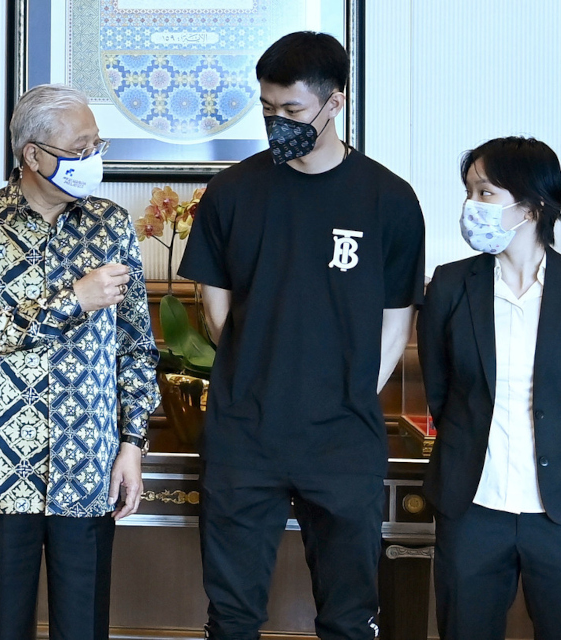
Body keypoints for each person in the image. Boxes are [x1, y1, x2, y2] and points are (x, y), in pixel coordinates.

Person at [178, 32, 425, 640]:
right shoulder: (232, 192)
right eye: (267, 108)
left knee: (347, 616)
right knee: (231, 617)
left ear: (334, 103)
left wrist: (345, 395)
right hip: (245, 434)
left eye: (292, 111)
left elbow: (397, 322)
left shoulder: (388, 199)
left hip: (343, 439)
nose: (277, 122)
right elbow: (216, 309)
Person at [0, 83, 160, 640]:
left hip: (88, 464)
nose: (94, 159)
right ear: (33, 155)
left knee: (83, 626)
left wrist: (132, 444)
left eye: (97, 144)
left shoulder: (111, 224)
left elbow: (135, 346)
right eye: (80, 148)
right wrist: (72, 301)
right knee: (3, 626)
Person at [417, 137, 561, 640]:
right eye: (469, 192)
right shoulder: (449, 287)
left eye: (486, 193)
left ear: (533, 206)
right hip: (473, 504)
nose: (472, 206)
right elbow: (442, 391)